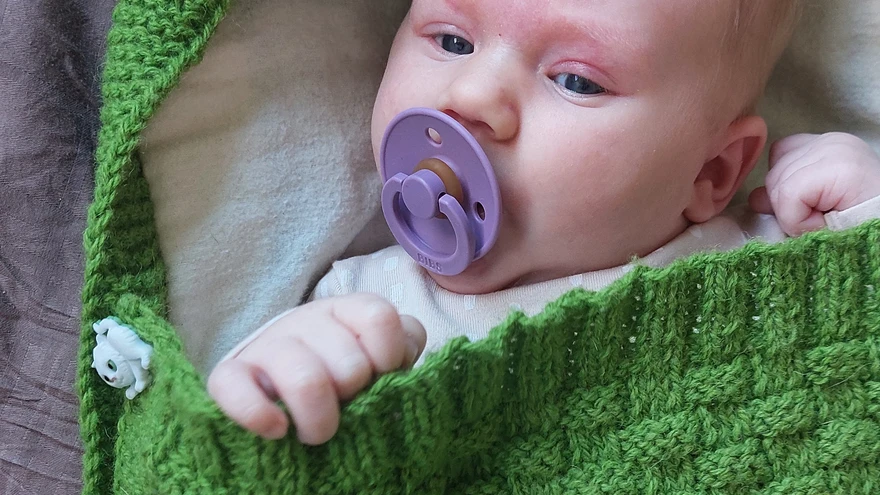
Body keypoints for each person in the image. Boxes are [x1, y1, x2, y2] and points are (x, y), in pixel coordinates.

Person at [207, 0, 880, 445]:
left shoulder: (773, 259)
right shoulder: (363, 311)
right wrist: (275, 374)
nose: (472, 96)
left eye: (577, 81)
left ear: (711, 173)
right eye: (451, 40)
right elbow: (243, 443)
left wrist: (866, 217)